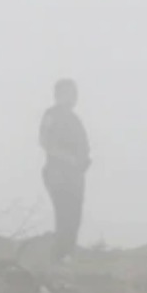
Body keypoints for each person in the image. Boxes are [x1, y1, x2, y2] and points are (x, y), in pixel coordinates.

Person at [38, 77, 90, 260]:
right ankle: (59, 256)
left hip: (75, 174)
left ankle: (68, 254)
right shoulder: (51, 114)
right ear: (59, 94)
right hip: (58, 172)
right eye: (69, 93)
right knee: (64, 213)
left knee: (75, 215)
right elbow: (44, 140)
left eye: (75, 93)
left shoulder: (74, 119)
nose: (74, 97)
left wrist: (82, 161)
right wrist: (67, 158)